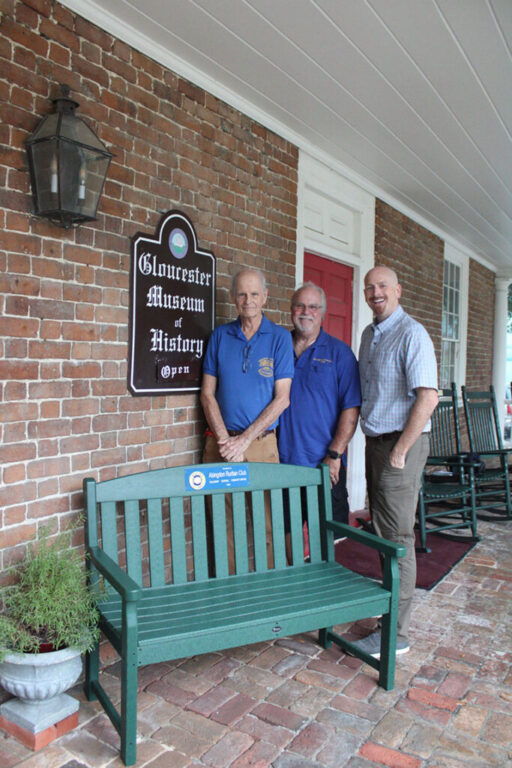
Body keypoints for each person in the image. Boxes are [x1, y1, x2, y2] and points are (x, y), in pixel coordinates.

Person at [353, 265, 438, 658]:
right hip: (376, 444)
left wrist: (401, 451)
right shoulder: (369, 335)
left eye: (382, 285)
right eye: (369, 287)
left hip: (400, 447)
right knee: (384, 531)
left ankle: (396, 634)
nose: (375, 292)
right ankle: (388, 613)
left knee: (398, 538)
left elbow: (428, 398)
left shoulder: (412, 334)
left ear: (398, 290)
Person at [200, 267, 294, 572]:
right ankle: (228, 599)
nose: (248, 300)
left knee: (267, 526)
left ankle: (269, 596)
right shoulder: (219, 336)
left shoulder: (279, 339)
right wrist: (227, 441)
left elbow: (282, 399)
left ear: (265, 296)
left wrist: (244, 441)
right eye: (242, 293)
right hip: (220, 446)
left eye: (254, 294)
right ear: (233, 297)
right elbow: (207, 394)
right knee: (223, 527)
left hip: (262, 447)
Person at [278, 282, 361, 537]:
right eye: (300, 305)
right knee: (281, 540)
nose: (306, 312)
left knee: (328, 542)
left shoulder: (340, 354)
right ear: (291, 310)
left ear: (322, 312)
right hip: (281, 466)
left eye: (313, 307)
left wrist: (335, 456)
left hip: (324, 466)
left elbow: (351, 408)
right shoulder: (277, 348)